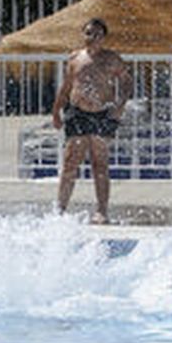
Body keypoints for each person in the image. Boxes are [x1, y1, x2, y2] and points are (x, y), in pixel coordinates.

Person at [51, 18, 131, 224]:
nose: (92, 38)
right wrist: (56, 111)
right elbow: (67, 86)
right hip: (78, 113)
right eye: (88, 33)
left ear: (104, 37)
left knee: (99, 164)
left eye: (97, 34)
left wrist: (119, 105)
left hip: (101, 114)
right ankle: (59, 210)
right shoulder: (75, 58)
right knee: (70, 163)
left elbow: (126, 83)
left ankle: (102, 210)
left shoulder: (112, 59)